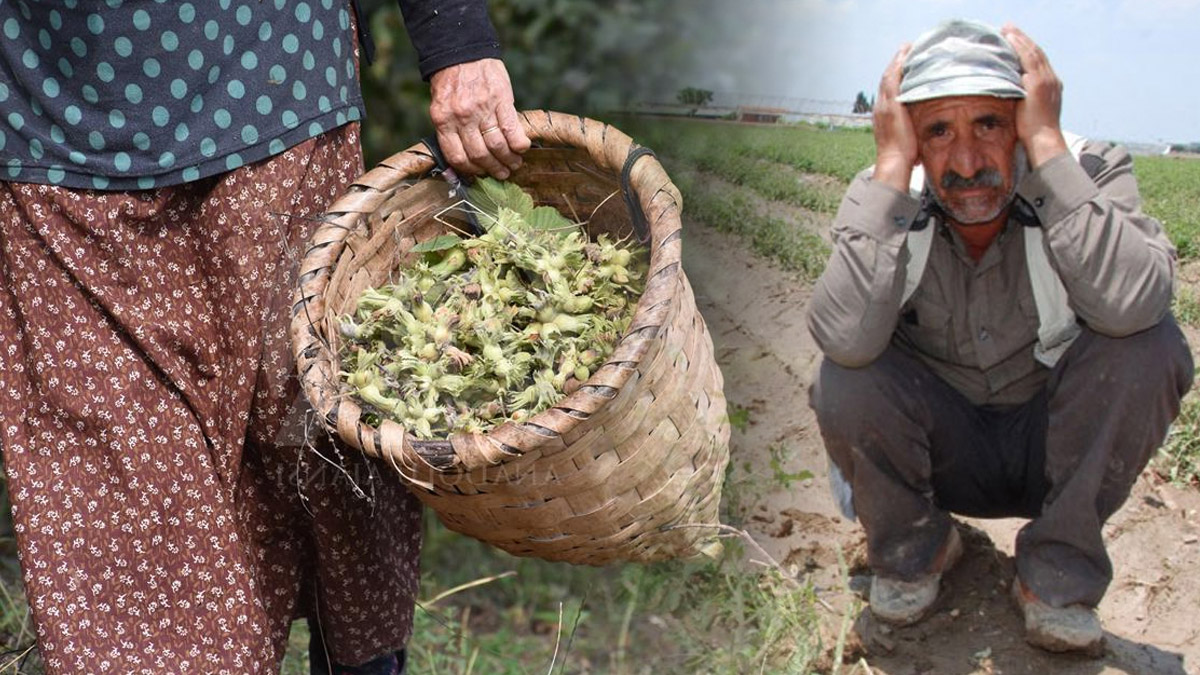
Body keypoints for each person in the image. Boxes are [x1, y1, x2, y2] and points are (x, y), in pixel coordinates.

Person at [0, 1, 528, 673]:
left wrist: (457, 42)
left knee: (320, 450)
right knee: (120, 513)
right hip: (57, 132)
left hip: (276, 84)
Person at [807, 19, 1193, 654]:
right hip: (944, 451)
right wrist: (891, 166)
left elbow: (1132, 304)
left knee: (1150, 346)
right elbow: (844, 339)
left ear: (1024, 119)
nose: (965, 161)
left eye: (990, 124)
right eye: (937, 132)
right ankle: (918, 548)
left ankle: (1056, 575)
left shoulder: (1090, 172)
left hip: (1054, 449)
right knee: (846, 374)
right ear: (910, 138)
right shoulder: (888, 196)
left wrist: (1047, 146)